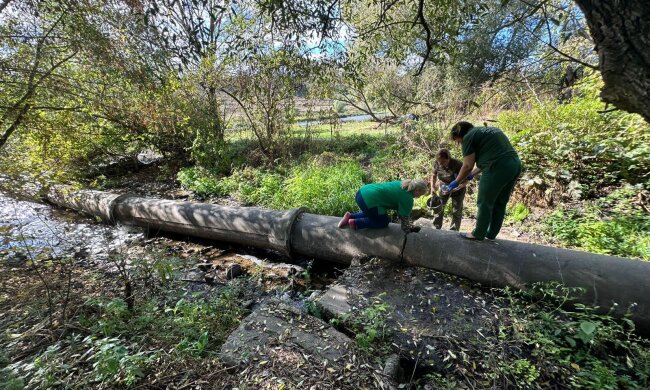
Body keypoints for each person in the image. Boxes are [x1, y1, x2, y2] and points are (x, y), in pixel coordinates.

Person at [446, 121, 522, 241]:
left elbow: (467, 165)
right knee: (500, 203)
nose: (458, 143)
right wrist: (471, 175)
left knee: (484, 202)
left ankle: (478, 233)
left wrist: (456, 181)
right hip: (514, 165)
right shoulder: (488, 131)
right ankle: (491, 234)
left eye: (457, 141)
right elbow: (490, 157)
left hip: (496, 168)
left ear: (459, 134)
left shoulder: (468, 137)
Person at [338, 179, 428, 232]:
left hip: (361, 193)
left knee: (374, 214)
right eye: (420, 194)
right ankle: (356, 223)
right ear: (417, 190)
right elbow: (404, 221)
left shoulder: (403, 183)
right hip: (370, 200)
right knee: (383, 222)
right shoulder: (408, 198)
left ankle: (350, 216)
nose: (419, 197)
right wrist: (410, 229)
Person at [430, 148, 467, 231]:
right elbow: (433, 175)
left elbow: (467, 179)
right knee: (439, 208)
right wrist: (432, 187)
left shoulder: (458, 164)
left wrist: (458, 187)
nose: (440, 163)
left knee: (456, 211)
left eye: (443, 161)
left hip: (458, 189)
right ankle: (436, 227)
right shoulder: (437, 163)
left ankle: (454, 230)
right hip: (444, 188)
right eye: (439, 161)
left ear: (448, 158)